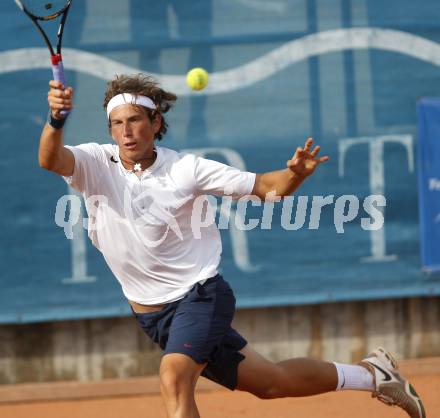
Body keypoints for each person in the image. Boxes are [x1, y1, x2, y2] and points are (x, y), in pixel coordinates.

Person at [39, 74, 425, 418]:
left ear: (155, 123)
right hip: (152, 314)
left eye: (136, 120)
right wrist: (56, 121)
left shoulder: (185, 169)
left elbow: (265, 188)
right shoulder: (94, 162)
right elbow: (50, 158)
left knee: (174, 377)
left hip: (199, 296)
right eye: (118, 123)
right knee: (271, 383)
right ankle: (374, 375)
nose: (127, 132)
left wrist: (294, 175)